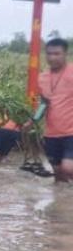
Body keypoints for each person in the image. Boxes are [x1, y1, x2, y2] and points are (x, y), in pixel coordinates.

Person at [26, 38, 73, 182]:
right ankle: (61, 203)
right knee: (58, 173)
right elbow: (44, 103)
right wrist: (33, 120)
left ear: (66, 53)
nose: (52, 58)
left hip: (71, 133)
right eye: (49, 54)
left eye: (57, 54)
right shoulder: (42, 78)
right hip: (51, 134)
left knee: (68, 168)